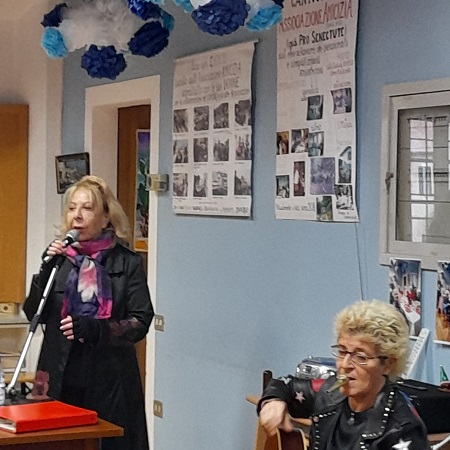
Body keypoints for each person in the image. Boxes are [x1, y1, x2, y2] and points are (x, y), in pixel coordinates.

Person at [23, 175, 154, 450]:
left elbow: (140, 320)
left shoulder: (127, 262)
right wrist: (44, 270)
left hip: (110, 380)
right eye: (72, 208)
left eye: (87, 208)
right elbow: (33, 313)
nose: (77, 216)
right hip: (59, 376)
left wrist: (98, 329)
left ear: (106, 218)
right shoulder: (59, 261)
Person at [257, 300, 430, 449]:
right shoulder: (329, 392)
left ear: (388, 364)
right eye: (342, 351)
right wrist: (272, 401)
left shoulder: (403, 429)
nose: (345, 365)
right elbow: (285, 385)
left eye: (361, 357)